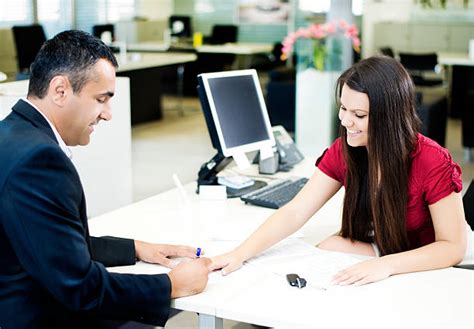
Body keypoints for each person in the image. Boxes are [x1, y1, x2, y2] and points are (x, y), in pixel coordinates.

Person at [0, 30, 210, 329]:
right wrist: (171, 285)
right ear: (60, 90)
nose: (108, 115)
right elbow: (80, 288)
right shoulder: (39, 161)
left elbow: (51, 243)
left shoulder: (10, 134)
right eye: (101, 100)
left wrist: (136, 248)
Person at [210, 56, 472, 286]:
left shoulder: (431, 160)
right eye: (343, 109)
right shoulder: (346, 150)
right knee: (325, 253)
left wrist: (387, 265)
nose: (346, 122)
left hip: (424, 261)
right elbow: (295, 211)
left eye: (359, 114)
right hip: (386, 249)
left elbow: (452, 248)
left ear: (389, 117)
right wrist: (240, 253)